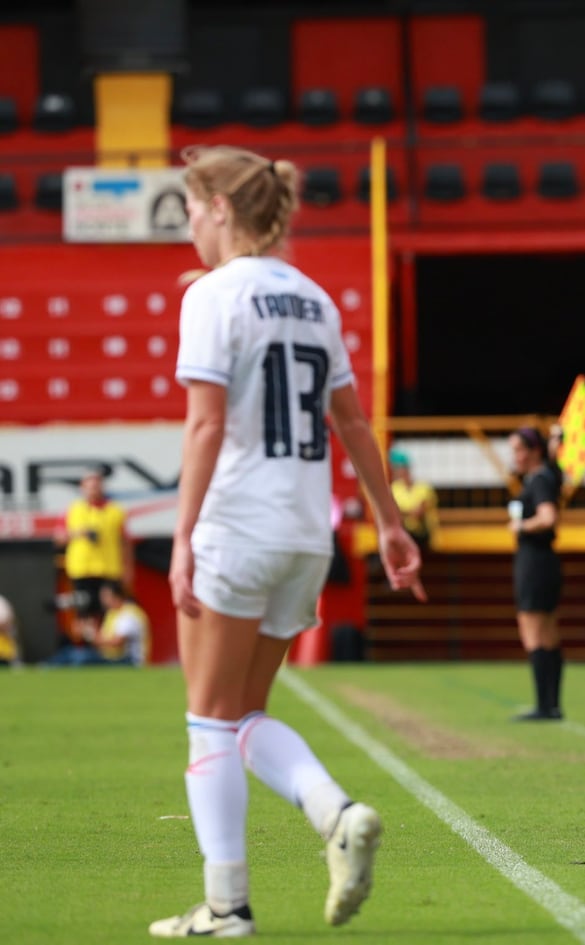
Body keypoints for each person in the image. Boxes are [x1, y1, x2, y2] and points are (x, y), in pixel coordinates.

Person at [154, 144, 425, 938]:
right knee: (244, 713)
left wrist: (181, 535)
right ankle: (336, 815)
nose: (190, 225)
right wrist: (390, 522)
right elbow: (353, 421)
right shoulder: (313, 298)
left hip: (237, 524)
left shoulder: (211, 294)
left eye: (192, 209)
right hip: (307, 533)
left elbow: (205, 425)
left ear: (221, 209)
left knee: (209, 720)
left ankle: (227, 905)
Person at [508, 425, 564, 721]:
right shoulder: (543, 476)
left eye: (519, 450)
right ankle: (551, 704)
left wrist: (521, 526)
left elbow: (547, 517)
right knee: (548, 633)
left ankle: (544, 706)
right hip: (543, 561)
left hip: (535, 561)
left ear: (534, 451)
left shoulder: (539, 479)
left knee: (534, 633)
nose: (515, 456)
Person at [55, 468, 133, 646]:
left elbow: (125, 543)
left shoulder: (115, 510)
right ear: (82, 488)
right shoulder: (73, 510)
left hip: (108, 571)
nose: (94, 490)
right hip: (82, 571)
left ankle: (103, 649)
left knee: (108, 613)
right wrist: (79, 533)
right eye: (90, 486)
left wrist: (128, 570)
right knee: (83, 613)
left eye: (97, 485)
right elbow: (58, 539)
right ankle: (84, 647)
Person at [388, 447, 439, 549]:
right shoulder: (394, 488)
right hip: (404, 535)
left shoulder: (423, 487)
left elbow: (419, 512)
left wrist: (403, 513)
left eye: (398, 468)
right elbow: (393, 513)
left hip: (422, 537)